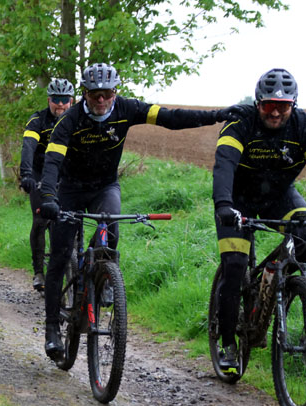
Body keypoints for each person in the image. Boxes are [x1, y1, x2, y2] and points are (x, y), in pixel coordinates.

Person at [38, 62, 240, 359]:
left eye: (107, 93)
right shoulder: (69, 120)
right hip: (70, 189)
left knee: (111, 225)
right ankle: (53, 328)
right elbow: (53, 162)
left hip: (104, 186)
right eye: (95, 95)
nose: (101, 100)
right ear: (84, 94)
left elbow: (171, 118)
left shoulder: (127, 108)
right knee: (58, 255)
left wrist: (217, 115)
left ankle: (103, 275)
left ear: (115, 92)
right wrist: (48, 197)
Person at [212, 68, 306, 373]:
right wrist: (224, 205)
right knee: (234, 266)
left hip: (278, 198)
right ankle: (228, 343)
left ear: (293, 105)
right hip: (237, 200)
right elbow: (224, 167)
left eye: (282, 106)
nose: (274, 111)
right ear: (257, 103)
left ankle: (278, 285)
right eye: (268, 104)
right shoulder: (240, 123)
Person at [19, 78, 75, 291]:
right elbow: (28, 147)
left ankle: (74, 264)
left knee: (72, 217)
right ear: (49, 99)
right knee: (41, 219)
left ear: (71, 100)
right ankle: (38, 272)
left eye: (64, 100)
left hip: (65, 172)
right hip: (39, 172)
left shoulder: (75, 119)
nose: (60, 104)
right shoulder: (37, 120)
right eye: (56, 99)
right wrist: (26, 175)